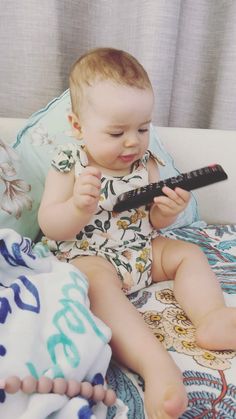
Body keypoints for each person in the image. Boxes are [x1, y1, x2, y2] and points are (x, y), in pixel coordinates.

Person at [38, 47, 236, 419]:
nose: (133, 141)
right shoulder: (69, 162)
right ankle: (156, 366)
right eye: (117, 132)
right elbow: (50, 223)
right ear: (78, 127)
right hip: (89, 254)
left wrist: (165, 212)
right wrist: (76, 208)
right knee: (96, 285)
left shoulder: (146, 163)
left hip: (140, 250)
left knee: (186, 254)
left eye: (143, 129)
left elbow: (152, 222)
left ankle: (212, 318)